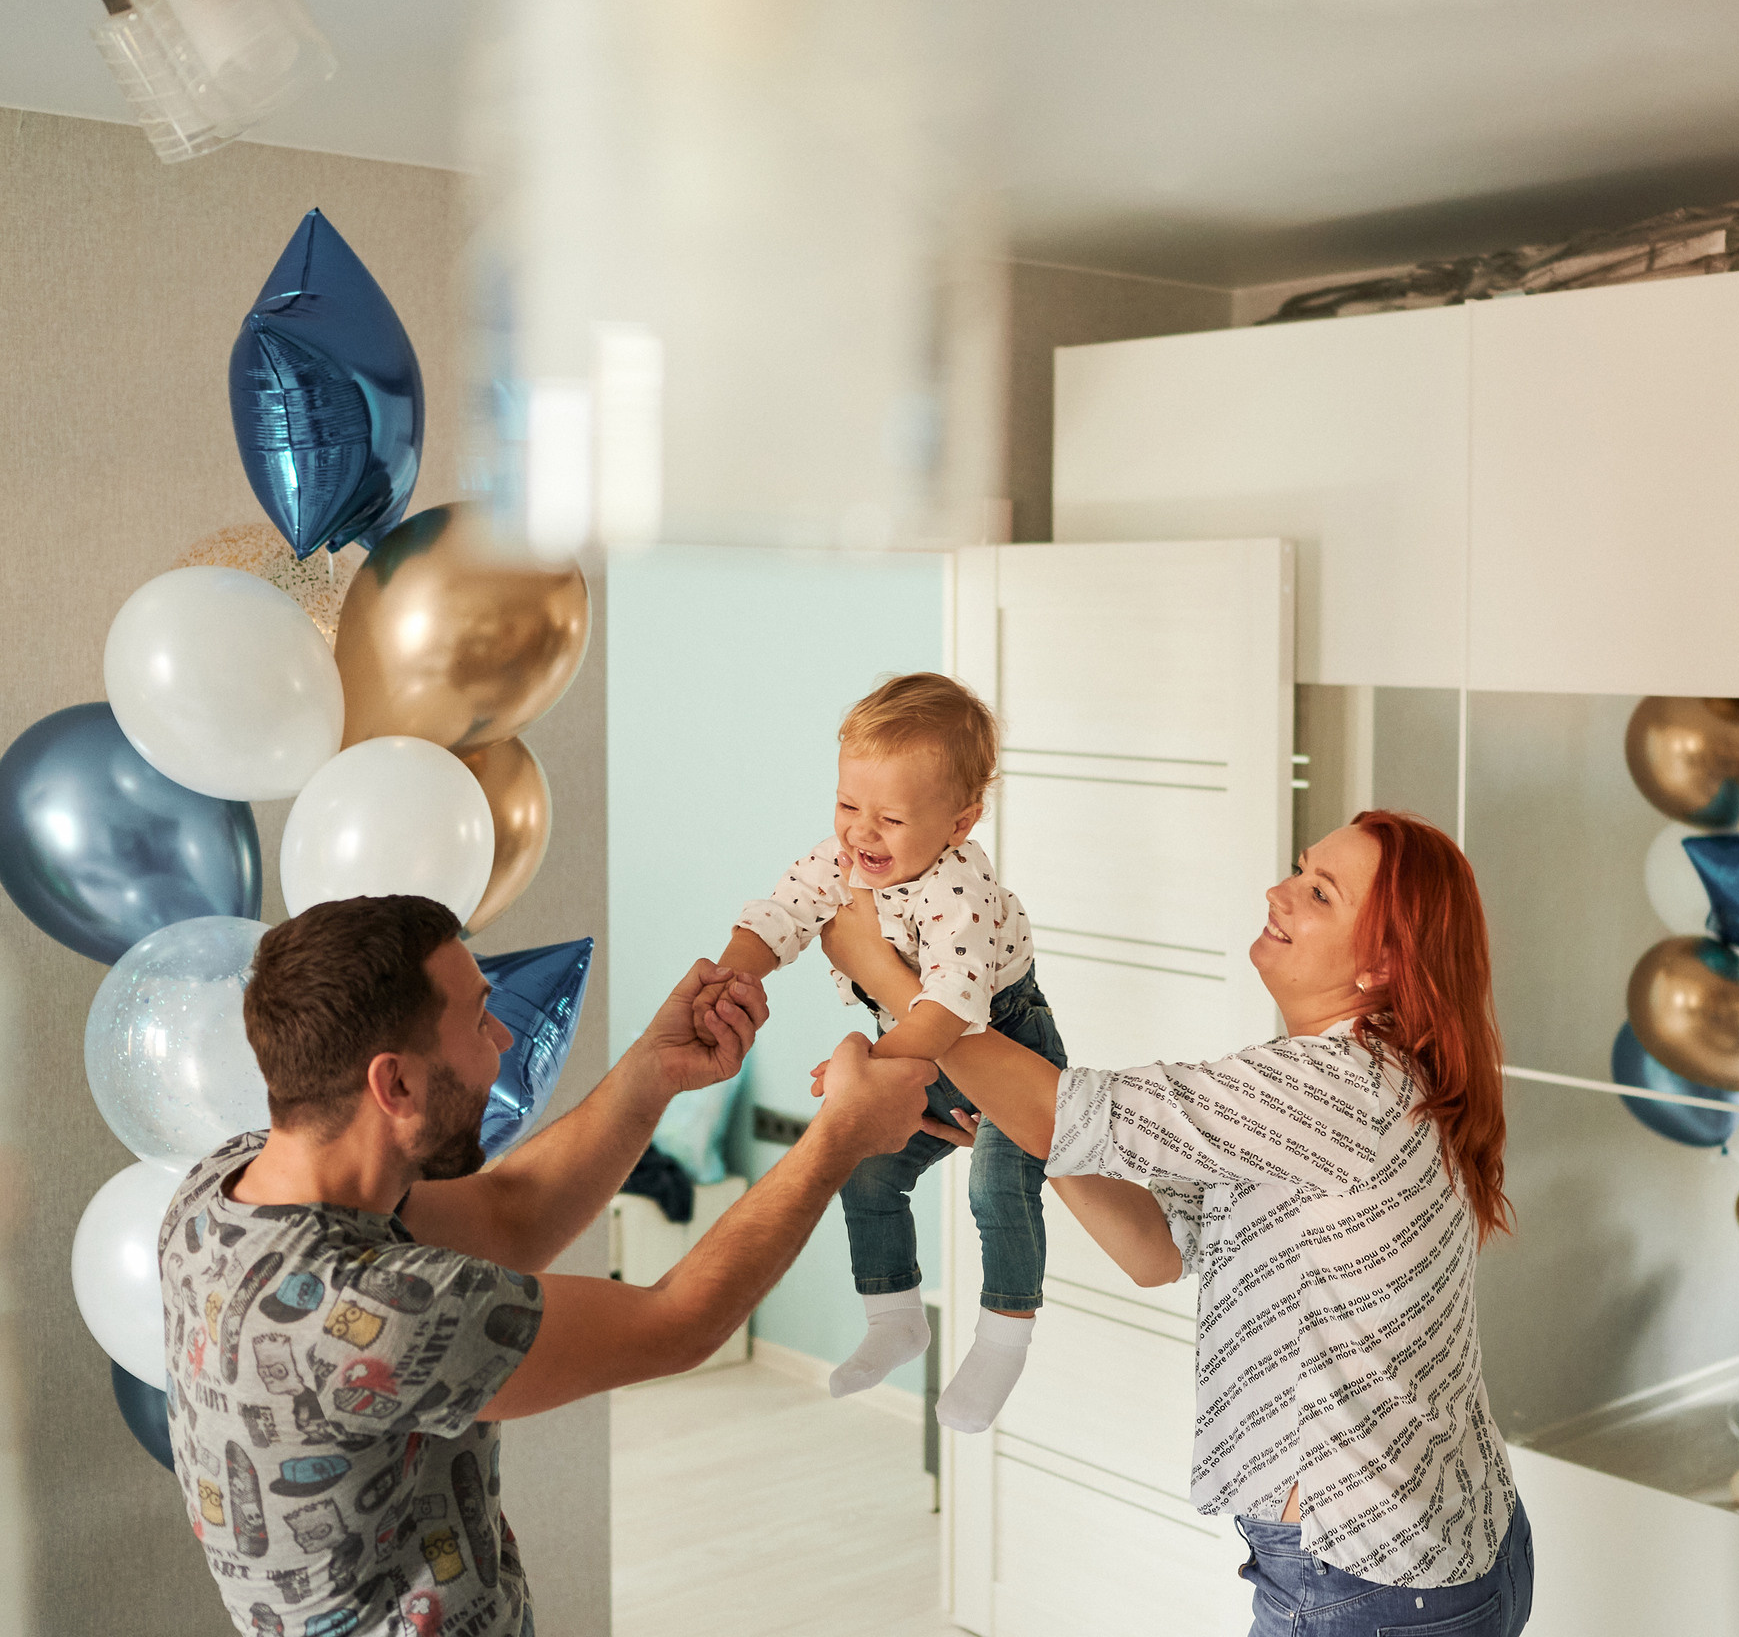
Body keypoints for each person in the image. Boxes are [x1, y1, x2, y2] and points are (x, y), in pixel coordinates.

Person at [819, 809, 1535, 1637]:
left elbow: (1071, 1114)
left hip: (1363, 1580)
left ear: (1383, 963)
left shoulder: (1337, 1086)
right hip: (1453, 1548)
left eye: (1318, 891)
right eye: (1299, 868)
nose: (1278, 891)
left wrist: (889, 977)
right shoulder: (1376, 1080)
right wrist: (1014, 1124)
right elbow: (1158, 1248)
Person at [159, 893, 934, 1637]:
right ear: (392, 1082)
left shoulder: (221, 1189)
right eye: (476, 1019)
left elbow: (510, 1213)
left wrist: (654, 1068)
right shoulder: (375, 1316)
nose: (502, 1039)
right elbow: (679, 1323)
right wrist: (841, 1137)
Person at [707, 672, 1069, 1430]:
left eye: (890, 818)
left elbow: (944, 1015)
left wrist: (866, 1078)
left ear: (959, 824)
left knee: (997, 1189)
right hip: (910, 1048)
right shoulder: (838, 863)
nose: (861, 834)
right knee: (867, 1173)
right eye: (847, 806)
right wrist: (726, 979)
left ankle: (1003, 1339)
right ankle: (894, 1318)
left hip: (1000, 1042)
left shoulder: (960, 894)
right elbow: (780, 917)